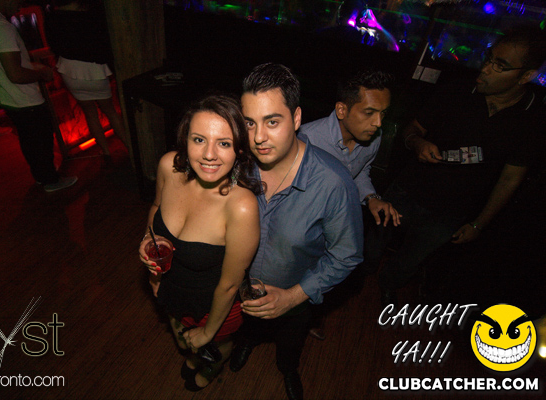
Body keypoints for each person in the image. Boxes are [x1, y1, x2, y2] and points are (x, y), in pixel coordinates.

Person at [365, 25, 546, 308]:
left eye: (500, 66)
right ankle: (356, 280)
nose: (486, 69)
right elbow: (413, 129)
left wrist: (478, 224)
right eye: (489, 58)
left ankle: (389, 286)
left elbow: (510, 179)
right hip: (408, 189)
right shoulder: (458, 90)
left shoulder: (533, 119)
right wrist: (417, 143)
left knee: (411, 259)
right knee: (372, 244)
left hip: (451, 212)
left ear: (526, 76)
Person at [229, 63, 363, 400]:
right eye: (249, 123)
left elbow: (346, 255)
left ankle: (288, 369)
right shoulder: (236, 165)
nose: (258, 137)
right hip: (239, 291)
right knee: (247, 329)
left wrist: (292, 297)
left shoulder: (333, 184)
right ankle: (246, 343)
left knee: (289, 345)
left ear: (297, 118)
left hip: (296, 301)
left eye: (272, 121)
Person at [138, 94, 260, 392]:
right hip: (171, 287)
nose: (209, 155)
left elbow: (230, 285)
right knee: (183, 340)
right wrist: (148, 241)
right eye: (199, 139)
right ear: (185, 139)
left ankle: (211, 369)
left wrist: (208, 332)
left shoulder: (241, 206)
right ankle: (195, 358)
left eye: (224, 143)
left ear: (239, 150)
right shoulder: (169, 167)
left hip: (215, 305)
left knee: (215, 347)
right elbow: (156, 207)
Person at [298, 69, 400, 340]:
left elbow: (361, 172)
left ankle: (310, 317)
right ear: (342, 110)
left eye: (383, 114)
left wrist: (371, 198)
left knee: (327, 276)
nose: (378, 123)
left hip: (336, 223)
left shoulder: (372, 138)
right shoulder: (306, 139)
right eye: (369, 113)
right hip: (303, 226)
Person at [0, 0, 77, 192]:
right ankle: (51, 180)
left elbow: (6, 65)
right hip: (25, 98)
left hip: (8, 96)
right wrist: (42, 73)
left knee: (29, 142)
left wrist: (32, 66)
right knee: (41, 141)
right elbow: (16, 74)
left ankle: (42, 177)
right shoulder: (0, 27)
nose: (21, 4)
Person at [44, 0, 126, 161]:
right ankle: (130, 147)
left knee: (90, 113)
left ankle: (106, 152)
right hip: (94, 70)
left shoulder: (52, 17)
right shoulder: (92, 16)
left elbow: (54, 47)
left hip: (69, 70)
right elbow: (104, 45)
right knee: (110, 111)